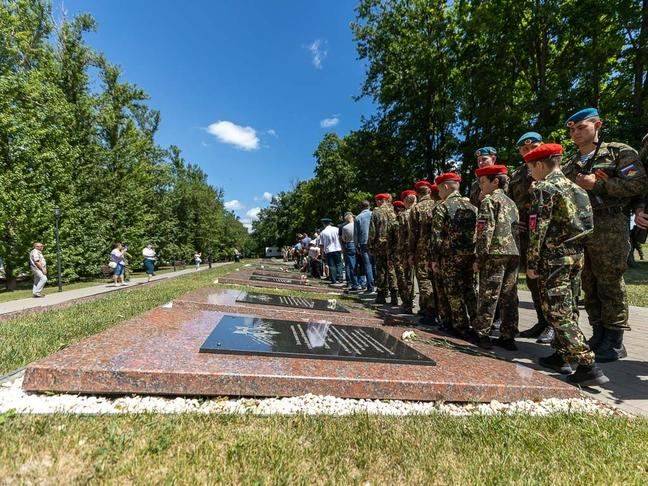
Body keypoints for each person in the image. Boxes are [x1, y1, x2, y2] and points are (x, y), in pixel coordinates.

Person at [562, 107, 648, 362]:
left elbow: (639, 184)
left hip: (611, 225)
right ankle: (598, 333)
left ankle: (615, 340)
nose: (576, 133)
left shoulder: (619, 152)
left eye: (581, 127)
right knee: (588, 282)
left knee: (609, 281)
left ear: (597, 125)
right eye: (572, 130)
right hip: (582, 229)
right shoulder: (571, 164)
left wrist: (597, 184)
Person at [524, 143, 609, 385]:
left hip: (555, 257)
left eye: (531, 168)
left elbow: (537, 228)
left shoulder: (545, 188)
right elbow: (589, 225)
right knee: (569, 306)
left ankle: (587, 364)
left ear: (540, 165)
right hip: (576, 256)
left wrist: (532, 262)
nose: (530, 173)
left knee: (557, 310)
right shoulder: (577, 188)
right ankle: (562, 354)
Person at [511, 131, 553, 344]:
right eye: (524, 149)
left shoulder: (552, 168)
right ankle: (542, 321)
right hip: (526, 236)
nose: (529, 151)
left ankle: (554, 326)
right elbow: (510, 203)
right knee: (532, 280)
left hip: (550, 235)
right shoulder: (518, 174)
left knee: (550, 280)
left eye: (532, 147)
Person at [473, 165, 520, 351]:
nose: (480, 186)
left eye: (483, 182)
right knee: (509, 296)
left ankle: (482, 334)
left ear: (495, 182)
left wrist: (479, 257)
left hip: (495, 254)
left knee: (488, 295)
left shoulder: (489, 201)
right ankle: (508, 336)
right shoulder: (511, 202)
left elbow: (485, 232)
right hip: (513, 252)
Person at [431, 173, 477, 338]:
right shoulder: (471, 206)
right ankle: (478, 325)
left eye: (439, 189)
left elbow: (436, 236)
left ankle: (460, 326)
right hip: (470, 256)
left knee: (453, 291)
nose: (439, 193)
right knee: (470, 289)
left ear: (445, 186)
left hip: (449, 257)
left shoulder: (442, 207)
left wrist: (434, 259)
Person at [409, 180, 438, 323]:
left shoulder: (416, 209)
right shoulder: (437, 204)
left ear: (417, 193)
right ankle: (438, 310)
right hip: (437, 247)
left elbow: (413, 233)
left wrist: (411, 252)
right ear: (430, 191)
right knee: (436, 279)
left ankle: (430, 311)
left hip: (422, 249)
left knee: (424, 280)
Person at [368, 193, 398, 304]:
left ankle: (381, 295)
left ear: (380, 201)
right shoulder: (393, 212)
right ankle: (394, 294)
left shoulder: (376, 212)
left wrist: (370, 245)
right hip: (392, 245)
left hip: (380, 245)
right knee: (391, 269)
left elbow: (372, 231)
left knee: (381, 270)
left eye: (377, 201)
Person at [396, 190, 417, 313]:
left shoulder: (403, 215)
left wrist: (399, 251)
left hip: (406, 250)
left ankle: (408, 303)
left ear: (404, 201)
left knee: (407, 277)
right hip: (421, 249)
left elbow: (401, 236)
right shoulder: (424, 210)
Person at [354, 200, 376, 294]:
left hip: (363, 243)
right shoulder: (374, 214)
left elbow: (356, 234)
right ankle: (380, 286)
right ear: (369, 206)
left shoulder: (358, 217)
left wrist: (356, 246)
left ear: (361, 207)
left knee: (368, 265)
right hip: (375, 242)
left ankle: (370, 287)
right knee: (376, 264)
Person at [318, 217, 344, 286]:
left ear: (324, 224)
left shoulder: (323, 232)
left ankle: (333, 279)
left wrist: (322, 253)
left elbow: (321, 245)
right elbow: (340, 239)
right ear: (330, 223)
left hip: (329, 250)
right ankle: (340, 277)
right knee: (339, 263)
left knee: (331, 265)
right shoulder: (336, 229)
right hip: (337, 248)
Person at [340, 212, 360, 292]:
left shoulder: (345, 227)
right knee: (361, 264)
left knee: (352, 265)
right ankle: (363, 282)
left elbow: (343, 239)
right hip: (358, 244)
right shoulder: (357, 225)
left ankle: (355, 284)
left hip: (350, 245)